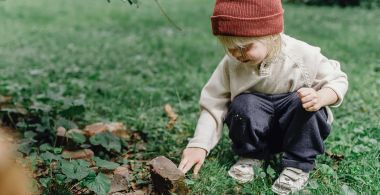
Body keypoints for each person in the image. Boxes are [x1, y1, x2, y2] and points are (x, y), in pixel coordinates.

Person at [178, 0, 348, 194]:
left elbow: (338, 80)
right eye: (229, 48)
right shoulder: (231, 64)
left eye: (244, 47)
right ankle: (251, 156)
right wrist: (199, 145)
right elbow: (214, 104)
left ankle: (298, 165)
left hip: (294, 129)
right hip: (257, 129)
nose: (236, 54)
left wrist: (321, 97)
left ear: (271, 35)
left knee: (306, 104)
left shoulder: (301, 55)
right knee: (244, 103)